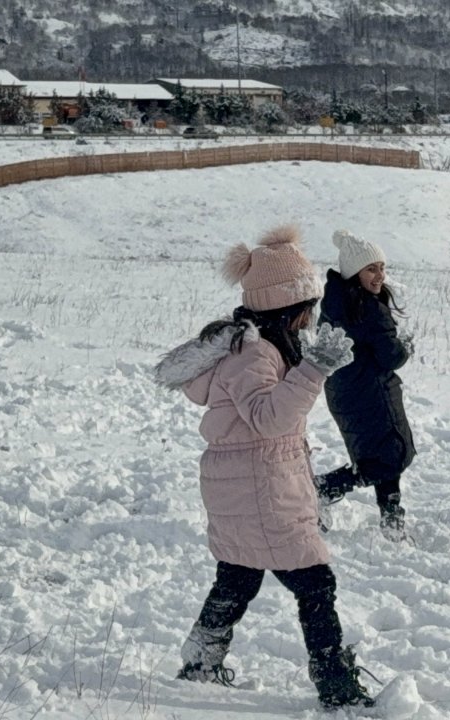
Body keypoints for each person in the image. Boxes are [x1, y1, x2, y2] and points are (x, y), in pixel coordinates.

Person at [153, 225, 375, 709]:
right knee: (315, 580)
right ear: (285, 308)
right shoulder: (255, 353)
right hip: (259, 489)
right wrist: (314, 368)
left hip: (248, 483)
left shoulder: (259, 347)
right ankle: (337, 686)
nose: (310, 319)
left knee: (239, 575)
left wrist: (306, 367)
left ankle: (201, 658)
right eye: (307, 309)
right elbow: (268, 417)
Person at [313, 229, 416, 541]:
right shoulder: (368, 308)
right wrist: (405, 347)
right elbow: (391, 357)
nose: (379, 275)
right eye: (371, 269)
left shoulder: (335, 303)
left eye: (382, 267)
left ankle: (392, 520)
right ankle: (322, 489)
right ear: (354, 273)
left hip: (346, 393)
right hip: (371, 393)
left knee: (382, 454)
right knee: (387, 456)